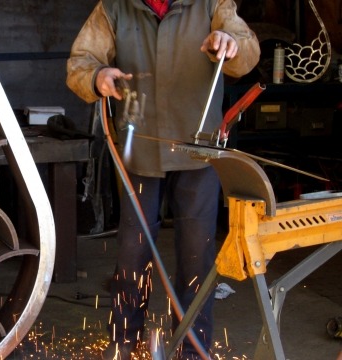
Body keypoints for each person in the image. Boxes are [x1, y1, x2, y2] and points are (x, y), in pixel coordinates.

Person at [66, 1, 260, 359]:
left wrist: (229, 42)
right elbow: (80, 62)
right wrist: (97, 77)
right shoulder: (114, 8)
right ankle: (124, 344)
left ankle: (192, 349)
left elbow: (246, 50)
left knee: (196, 257)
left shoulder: (211, 4)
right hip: (140, 151)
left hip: (198, 154)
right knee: (132, 252)